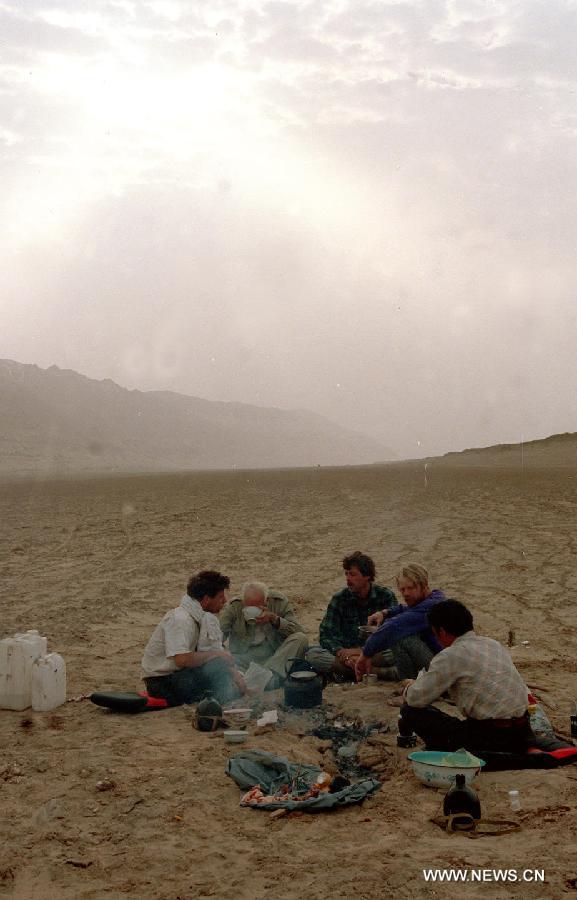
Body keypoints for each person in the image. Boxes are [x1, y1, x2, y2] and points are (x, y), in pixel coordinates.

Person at [397, 600, 534, 754]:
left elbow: (416, 699)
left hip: (491, 739)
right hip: (523, 731)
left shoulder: (451, 655)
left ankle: (441, 748)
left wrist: (409, 687)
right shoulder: (492, 644)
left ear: (441, 632)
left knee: (410, 711)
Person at [142, 570, 245, 706]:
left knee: (227, 670)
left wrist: (232, 671)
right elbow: (182, 660)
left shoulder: (200, 617)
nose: (225, 601)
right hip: (161, 683)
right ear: (207, 599)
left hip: (178, 677)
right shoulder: (180, 619)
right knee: (218, 666)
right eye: (220, 597)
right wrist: (217, 655)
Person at [306, 551, 398, 680]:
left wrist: (360, 652)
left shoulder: (385, 597)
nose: (348, 579)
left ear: (367, 576)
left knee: (395, 651)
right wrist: (342, 654)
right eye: (346, 574)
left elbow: (391, 634)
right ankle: (372, 672)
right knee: (313, 654)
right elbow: (326, 634)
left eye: (353, 574)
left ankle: (354, 671)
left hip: (374, 653)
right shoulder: (340, 599)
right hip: (345, 656)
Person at [355, 564, 445, 683]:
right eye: (402, 589)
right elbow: (407, 609)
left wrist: (365, 654)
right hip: (440, 661)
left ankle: (408, 684)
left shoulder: (430, 608)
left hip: (442, 669)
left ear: (424, 585)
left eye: (411, 588)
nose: (406, 593)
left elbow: (395, 625)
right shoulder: (432, 599)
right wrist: (385, 612)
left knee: (401, 637)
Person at [219, 581, 308, 688]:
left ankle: (261, 678)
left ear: (266, 601)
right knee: (221, 661)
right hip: (244, 658)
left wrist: (274, 619)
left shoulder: (279, 602)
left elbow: (298, 630)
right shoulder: (234, 606)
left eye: (258, 607)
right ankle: (264, 680)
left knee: (300, 638)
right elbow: (219, 634)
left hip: (274, 657)